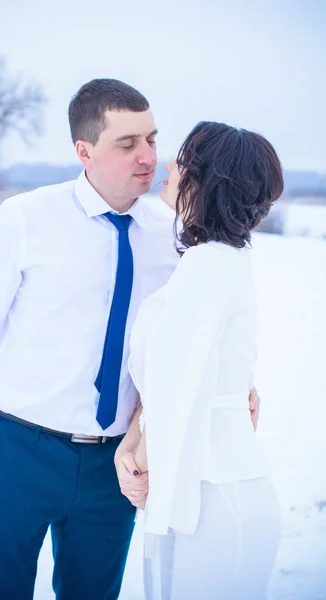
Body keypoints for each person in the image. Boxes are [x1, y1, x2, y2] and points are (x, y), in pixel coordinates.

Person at [0, 79, 259, 600]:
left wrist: (237, 384)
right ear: (84, 151)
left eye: (152, 139)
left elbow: (190, 343)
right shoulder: (26, 219)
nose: (148, 156)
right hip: (17, 449)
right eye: (127, 144)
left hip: (115, 469)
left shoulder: (173, 240)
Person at [126, 121, 283, 599]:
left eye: (184, 160)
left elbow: (181, 385)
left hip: (217, 496)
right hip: (207, 487)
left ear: (209, 181)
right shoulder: (215, 260)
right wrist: (133, 446)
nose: (169, 167)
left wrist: (138, 463)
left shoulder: (209, 266)